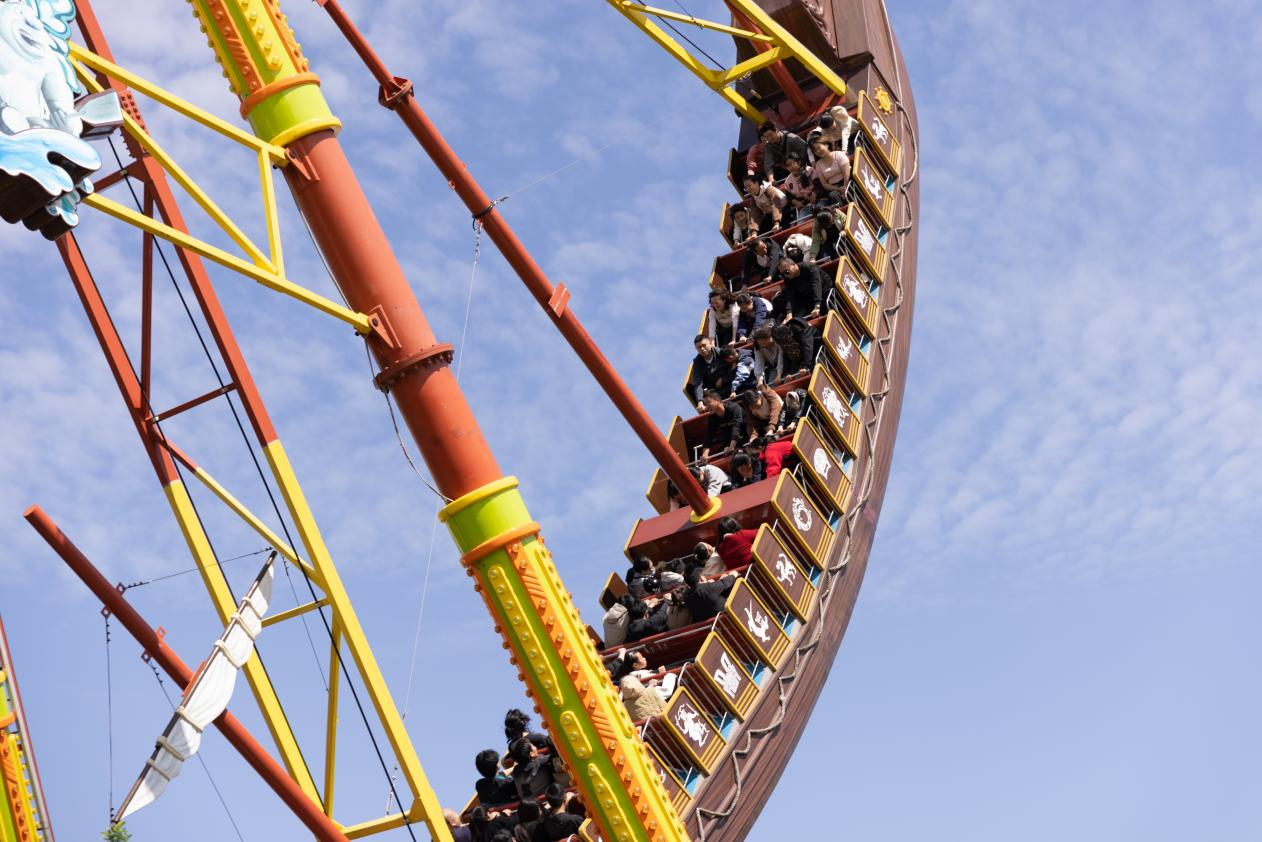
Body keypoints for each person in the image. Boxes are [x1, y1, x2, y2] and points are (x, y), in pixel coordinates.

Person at [774, 257, 824, 322]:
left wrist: (817, 306)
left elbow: (816, 285)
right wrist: (789, 312)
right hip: (808, 300)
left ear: (794, 264)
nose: (785, 275)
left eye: (786, 271)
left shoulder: (809, 267)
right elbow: (790, 295)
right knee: (797, 320)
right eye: (782, 274)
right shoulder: (788, 279)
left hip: (824, 293)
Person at [700, 389, 744, 461]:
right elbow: (709, 436)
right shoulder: (712, 418)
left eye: (708, 403)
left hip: (744, 435)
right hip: (730, 441)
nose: (707, 407)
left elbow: (736, 427)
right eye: (705, 404)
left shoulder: (734, 408)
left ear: (717, 400)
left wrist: (731, 447)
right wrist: (705, 454)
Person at [771, 318, 820, 382]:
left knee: (808, 373)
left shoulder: (798, 327)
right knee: (791, 378)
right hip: (800, 358)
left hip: (816, 351)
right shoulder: (784, 340)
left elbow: (807, 347)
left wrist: (805, 366)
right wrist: (787, 373)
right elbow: (786, 355)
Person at [509, 736, 555, 801]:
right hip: (546, 800)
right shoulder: (542, 761)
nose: (536, 747)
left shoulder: (515, 771)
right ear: (531, 754)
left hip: (527, 803)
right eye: (533, 745)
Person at [687, 334, 724, 412]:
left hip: (728, 384)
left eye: (704, 345)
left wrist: (722, 378)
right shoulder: (697, 363)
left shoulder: (720, 352)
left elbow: (731, 367)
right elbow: (698, 383)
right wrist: (700, 401)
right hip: (714, 391)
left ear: (710, 343)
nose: (702, 349)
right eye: (699, 347)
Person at [781, 154, 815, 223]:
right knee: (800, 224)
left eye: (791, 164)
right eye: (787, 166)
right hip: (804, 206)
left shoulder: (809, 170)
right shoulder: (788, 181)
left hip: (817, 199)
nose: (790, 167)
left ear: (798, 162)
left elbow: (819, 184)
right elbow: (789, 196)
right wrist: (795, 202)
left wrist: (815, 193)